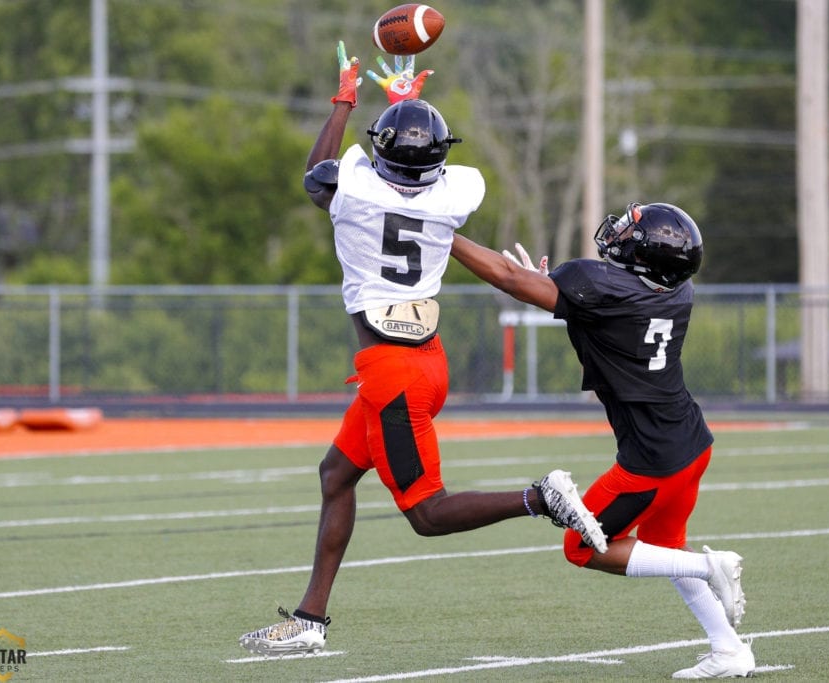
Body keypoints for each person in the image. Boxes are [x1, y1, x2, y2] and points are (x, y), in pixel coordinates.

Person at [237, 42, 607, 657]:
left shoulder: (352, 194)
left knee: (427, 514)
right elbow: (420, 170)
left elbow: (318, 172)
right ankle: (309, 619)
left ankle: (540, 497)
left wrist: (346, 101)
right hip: (428, 361)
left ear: (380, 153)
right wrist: (410, 107)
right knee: (336, 476)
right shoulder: (454, 194)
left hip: (390, 372)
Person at [450, 203, 755, 679]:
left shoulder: (600, 286)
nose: (620, 232)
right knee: (664, 546)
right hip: (690, 441)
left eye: (632, 231)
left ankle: (706, 568)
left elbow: (511, 279)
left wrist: (443, 233)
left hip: (650, 460)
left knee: (582, 546)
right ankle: (729, 649)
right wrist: (549, 291)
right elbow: (601, 305)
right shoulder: (678, 290)